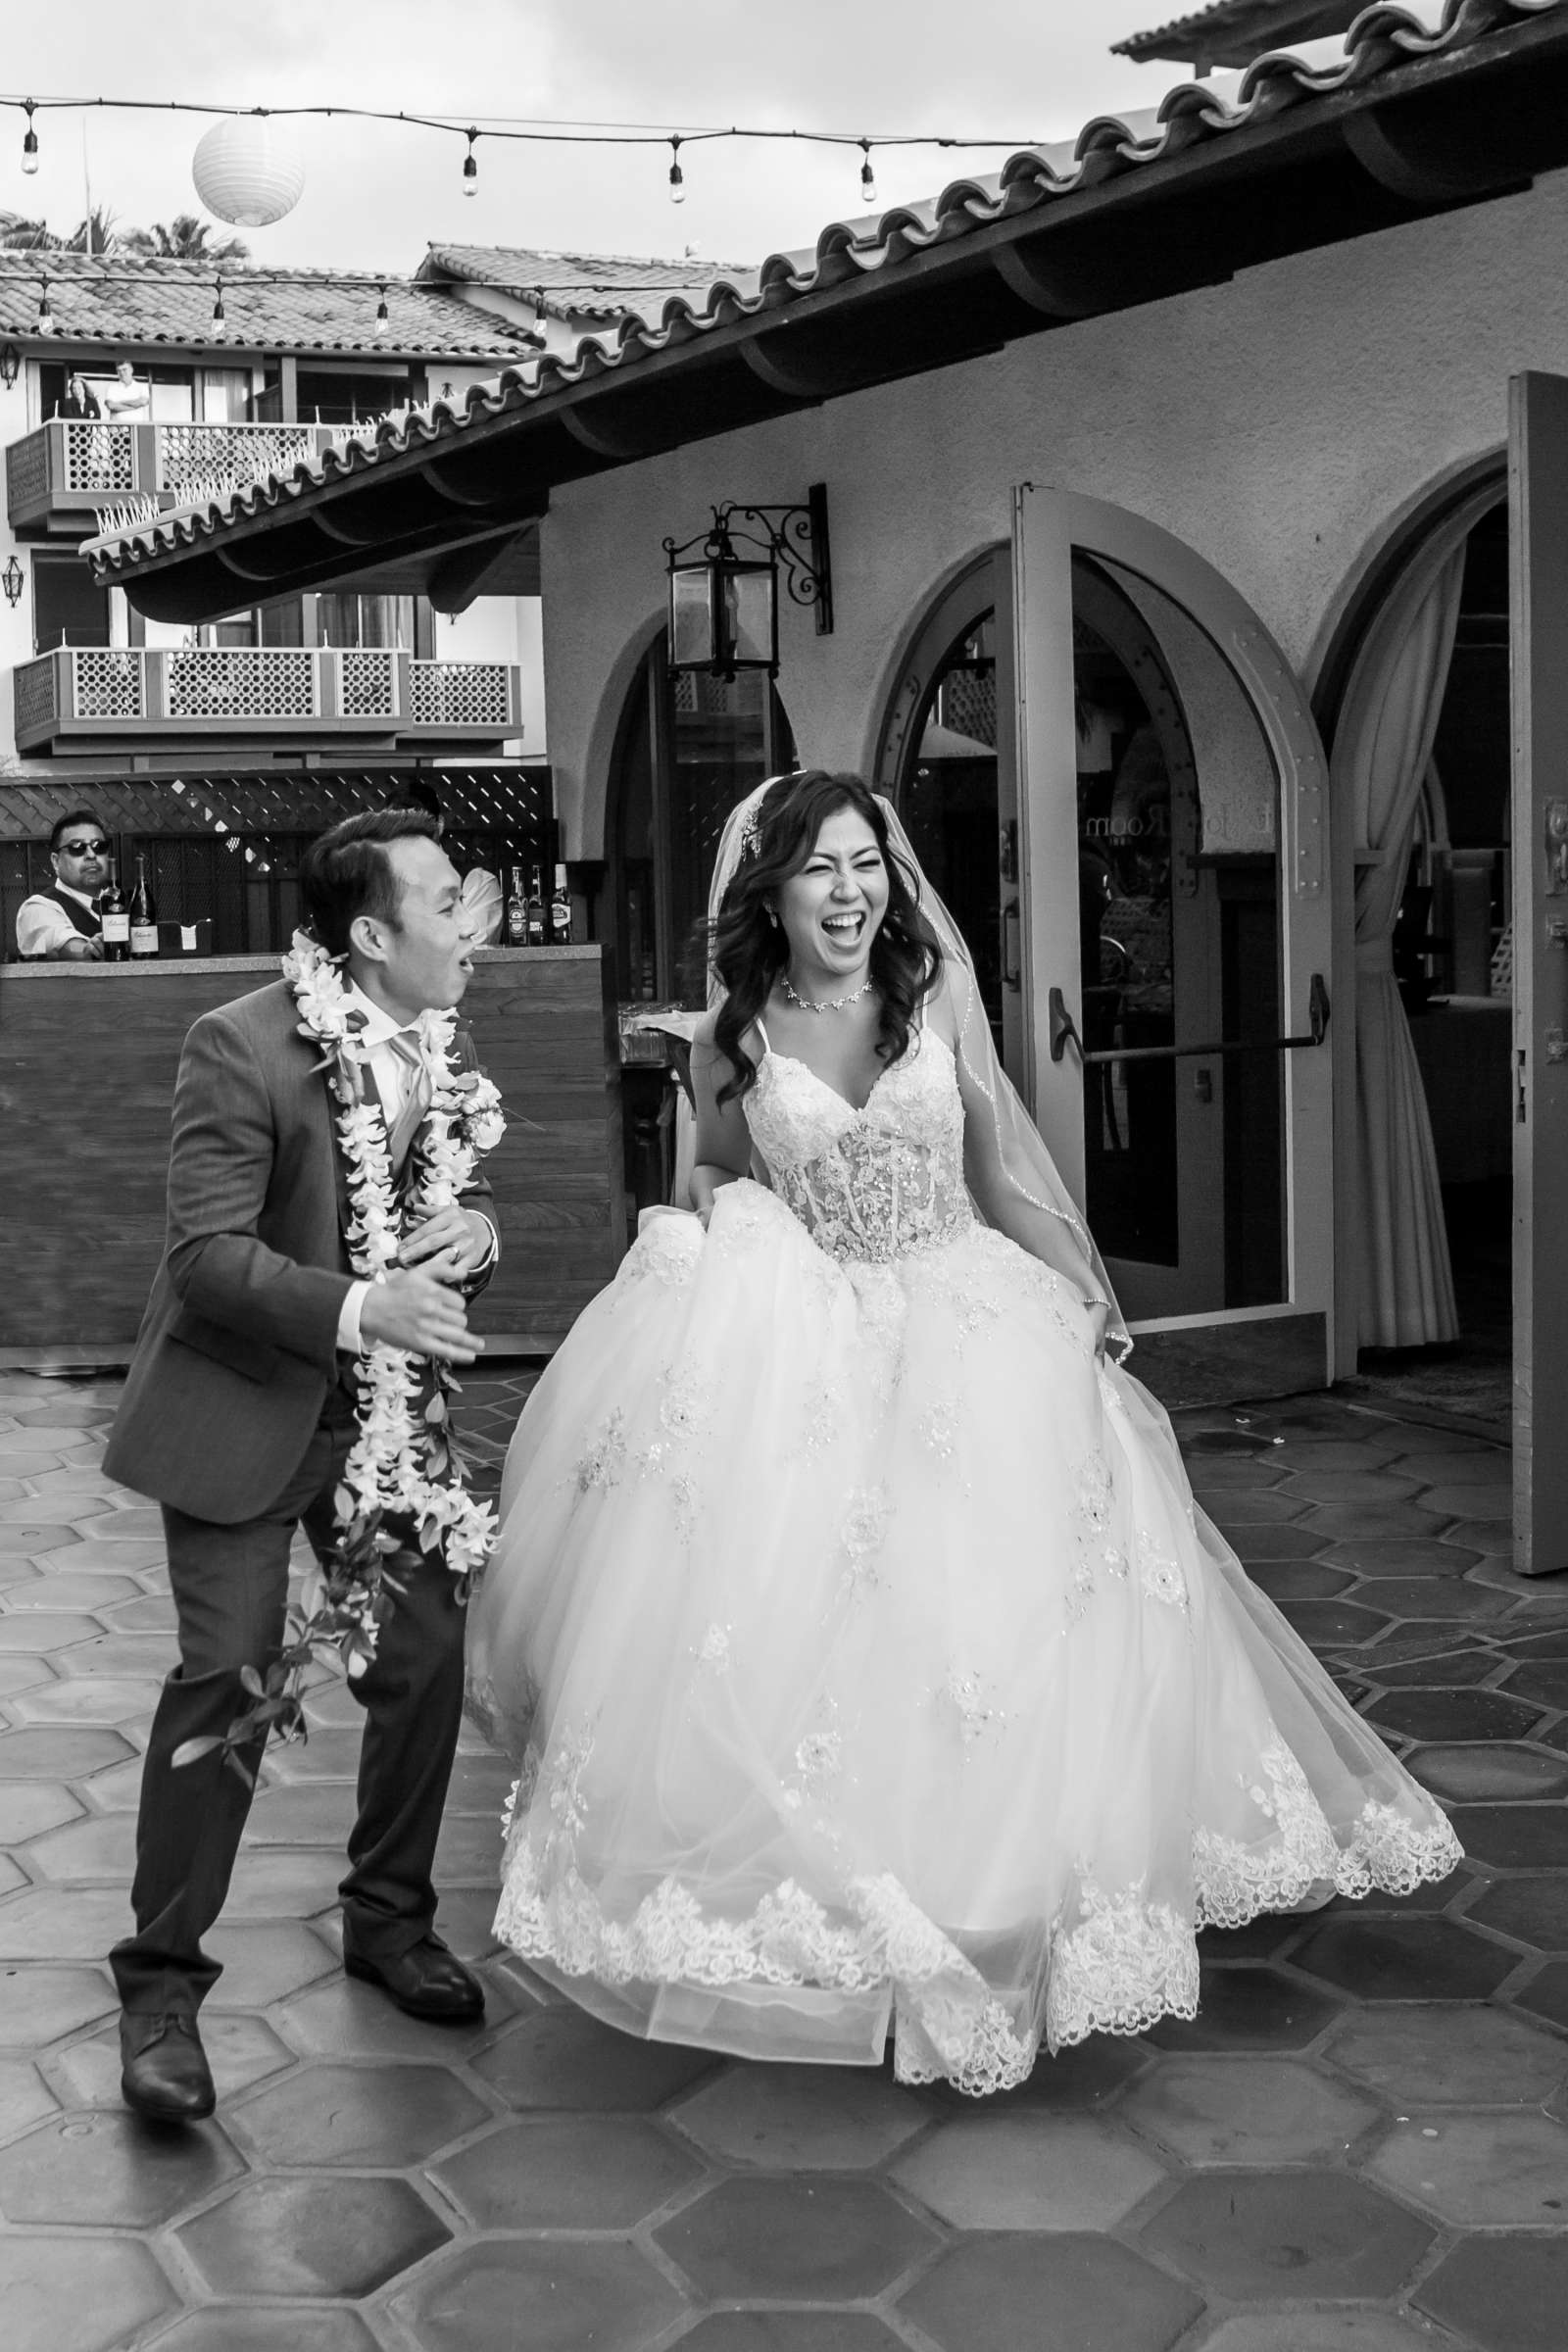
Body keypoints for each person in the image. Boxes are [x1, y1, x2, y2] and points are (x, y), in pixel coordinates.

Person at [467, 770, 1460, 2096]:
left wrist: (1089, 1290)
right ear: (771, 888)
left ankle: (1005, 1885)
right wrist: (730, 1234)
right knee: (817, 1627)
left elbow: (1001, 1172)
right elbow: (709, 1171)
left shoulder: (929, 1000)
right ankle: (872, 1891)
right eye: (819, 868)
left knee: (989, 1621)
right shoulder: (734, 1032)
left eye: (867, 863)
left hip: (964, 1323)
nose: (849, 891)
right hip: (810, 1345)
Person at [104, 809, 501, 2125]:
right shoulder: (240, 1043)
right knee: (228, 1681)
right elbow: (203, 1258)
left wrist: (473, 1235)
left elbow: (435, 1202)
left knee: (425, 1646)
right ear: (373, 935)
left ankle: (388, 1921)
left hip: (378, 1423)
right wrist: (360, 1308)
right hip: (242, 1409)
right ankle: (161, 1982)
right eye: (449, 901)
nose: (473, 920)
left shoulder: (432, 1038)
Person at [16, 810, 109, 959]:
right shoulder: (37, 908)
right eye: (77, 847)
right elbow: (63, 944)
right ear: (55, 861)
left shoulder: (122, 902)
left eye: (98, 846)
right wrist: (89, 950)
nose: (91, 855)